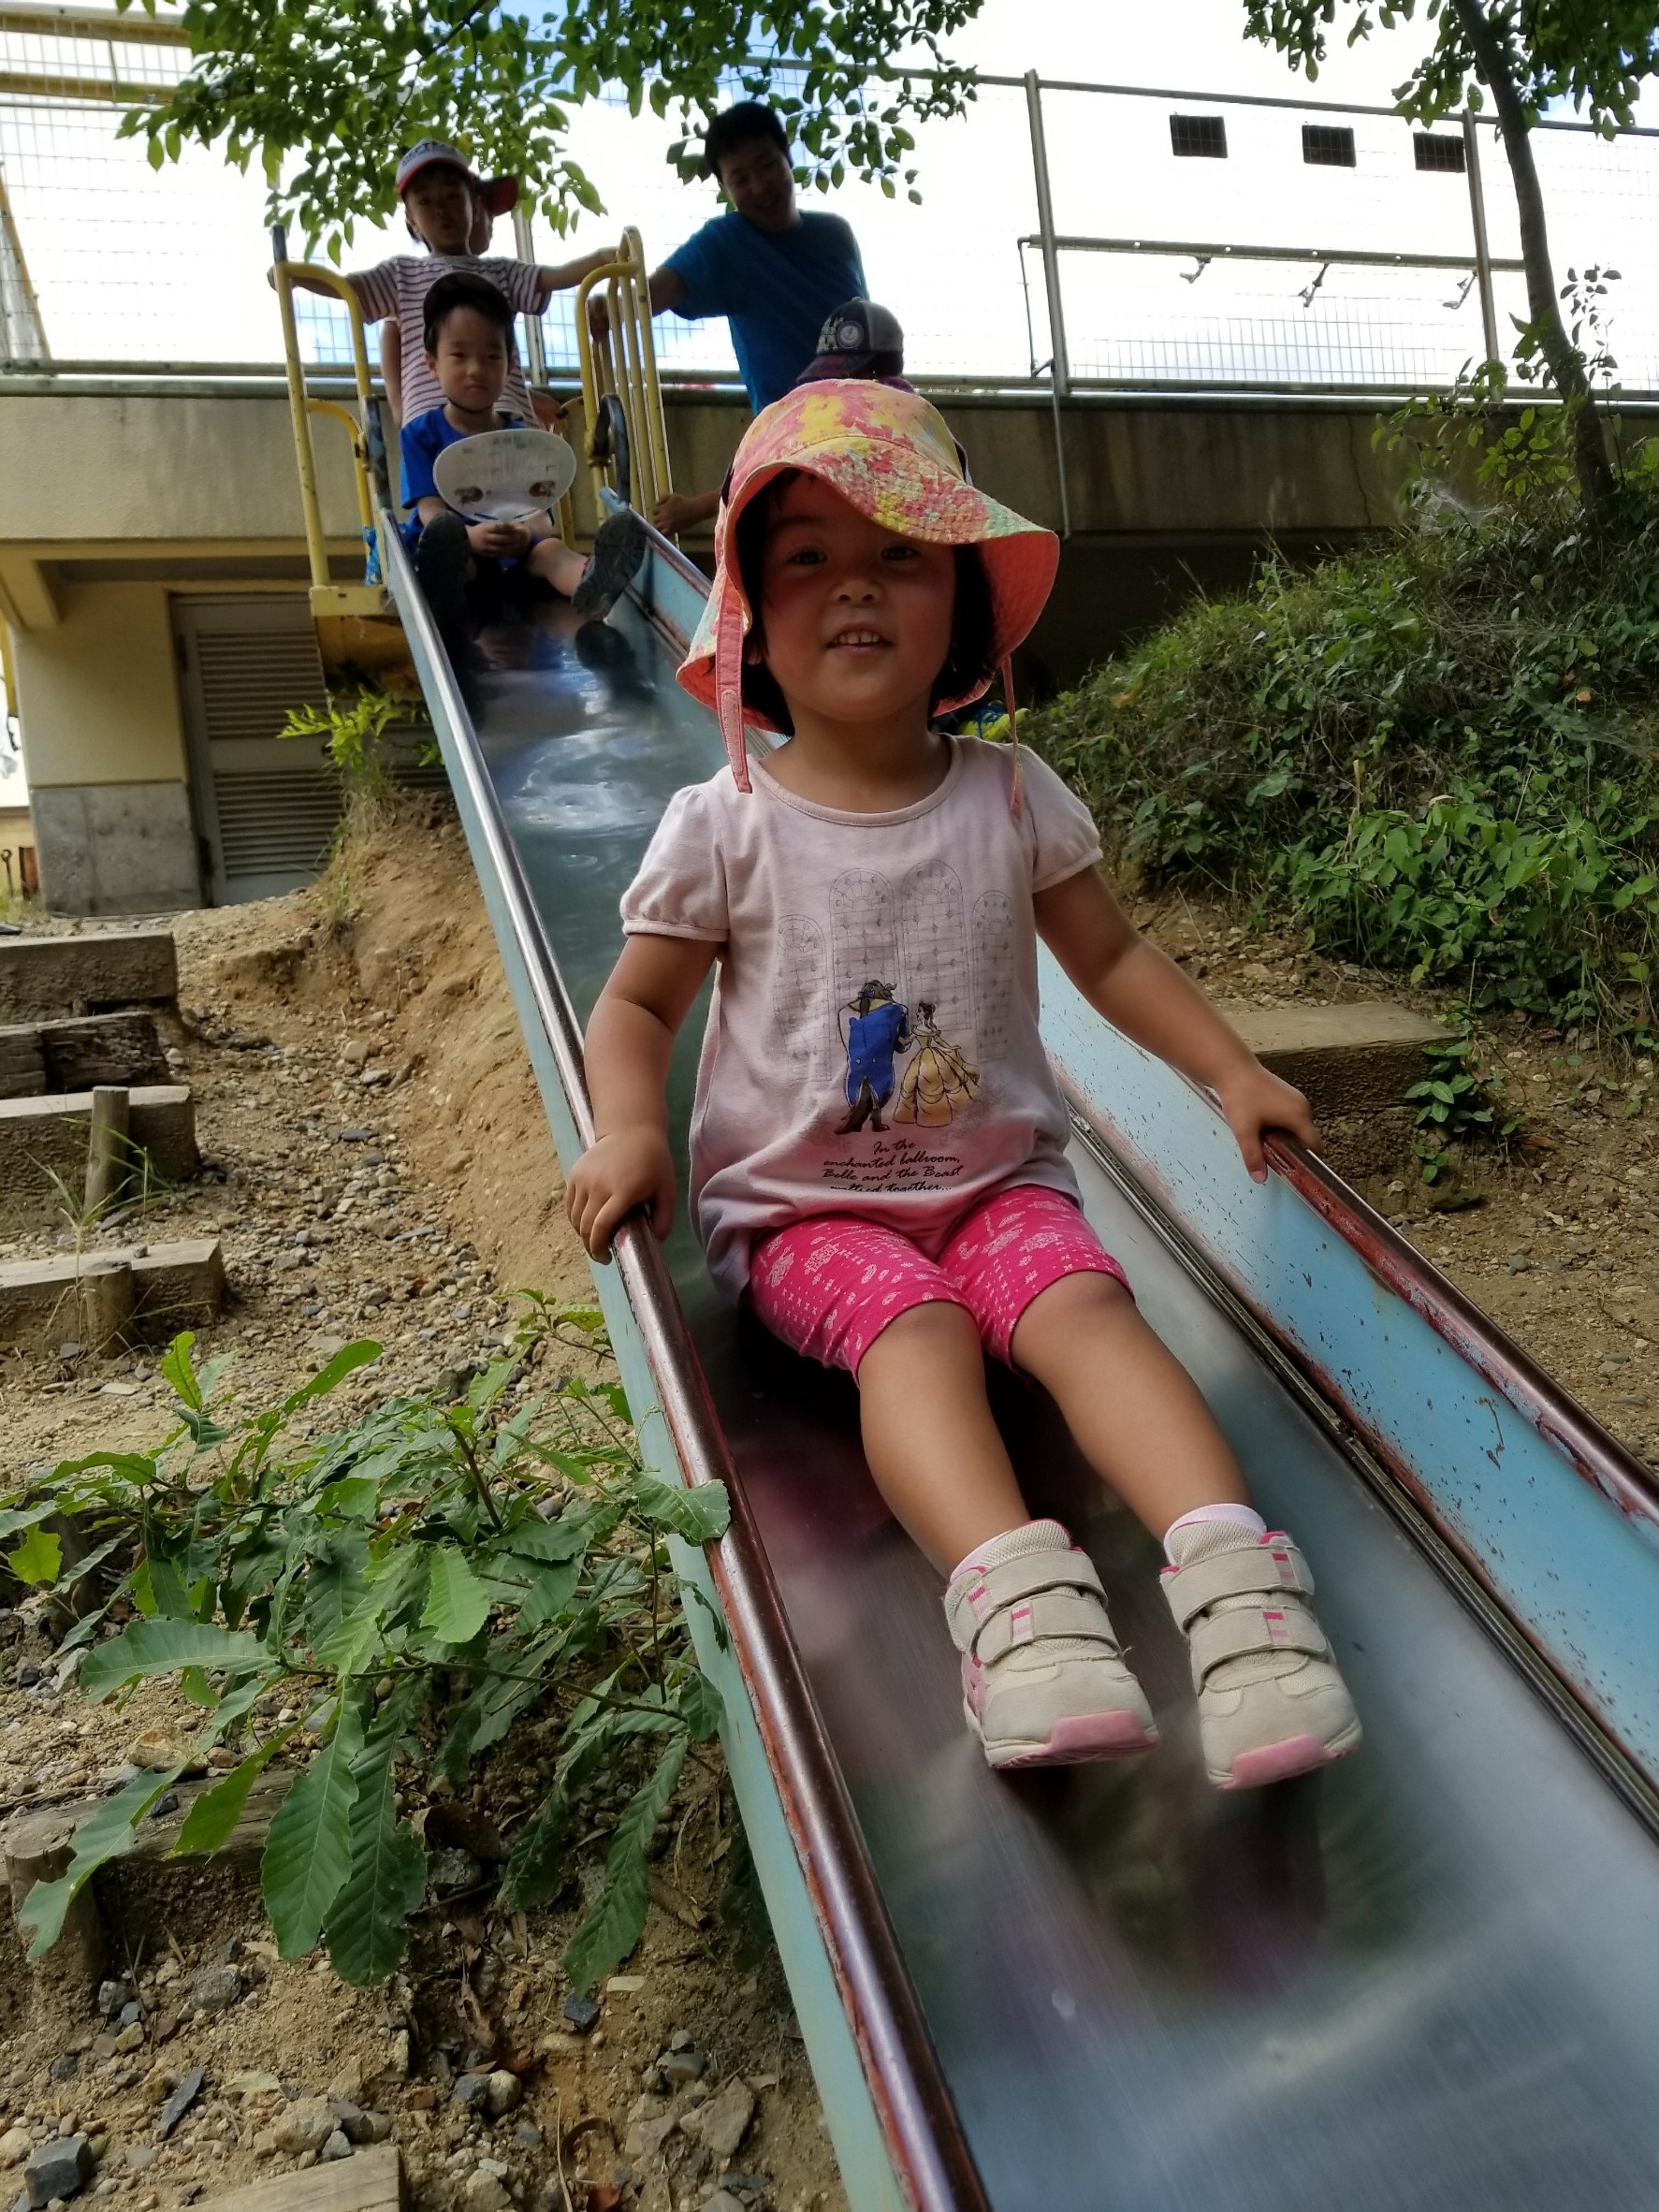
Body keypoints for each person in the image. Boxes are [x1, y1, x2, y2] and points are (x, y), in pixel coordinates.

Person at [564, 381, 1362, 1791]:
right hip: (807, 1213)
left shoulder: (1008, 793)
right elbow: (636, 1003)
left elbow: (1112, 956)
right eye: (806, 557)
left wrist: (1230, 1068)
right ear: (748, 621)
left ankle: (1242, 1602)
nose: (854, 587)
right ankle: (1025, 1617)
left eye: (900, 554)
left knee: (1085, 1308)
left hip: (998, 1185)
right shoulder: (726, 824)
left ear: (962, 610)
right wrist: (629, 1127)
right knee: (916, 1330)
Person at [593, 103, 866, 539]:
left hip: (868, 421)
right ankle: (710, 505)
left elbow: (868, 330)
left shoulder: (836, 235)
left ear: (787, 158)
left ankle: (705, 505)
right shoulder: (728, 242)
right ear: (725, 188)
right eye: (740, 179)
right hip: (794, 438)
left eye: (767, 165)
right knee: (788, 478)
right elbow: (653, 293)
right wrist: (610, 308)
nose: (759, 186)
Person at [278, 140, 610, 429]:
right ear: (411, 218)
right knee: (439, 481)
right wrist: (295, 276)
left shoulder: (501, 272)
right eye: (425, 201)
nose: (441, 210)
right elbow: (347, 288)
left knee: (522, 478)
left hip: (504, 417)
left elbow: (554, 276)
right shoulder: (401, 274)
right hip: (435, 421)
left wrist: (602, 258)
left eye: (452, 196)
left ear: (473, 204)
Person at [400, 274, 645, 653]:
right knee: (453, 558)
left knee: (550, 551)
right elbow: (430, 510)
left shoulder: (523, 439)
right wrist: (469, 538)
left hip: (516, 555)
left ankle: (592, 582)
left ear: (510, 364)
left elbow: (540, 515)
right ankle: (444, 596)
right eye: (459, 356)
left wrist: (524, 533)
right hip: (460, 553)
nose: (476, 369)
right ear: (432, 364)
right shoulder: (420, 435)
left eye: (491, 356)